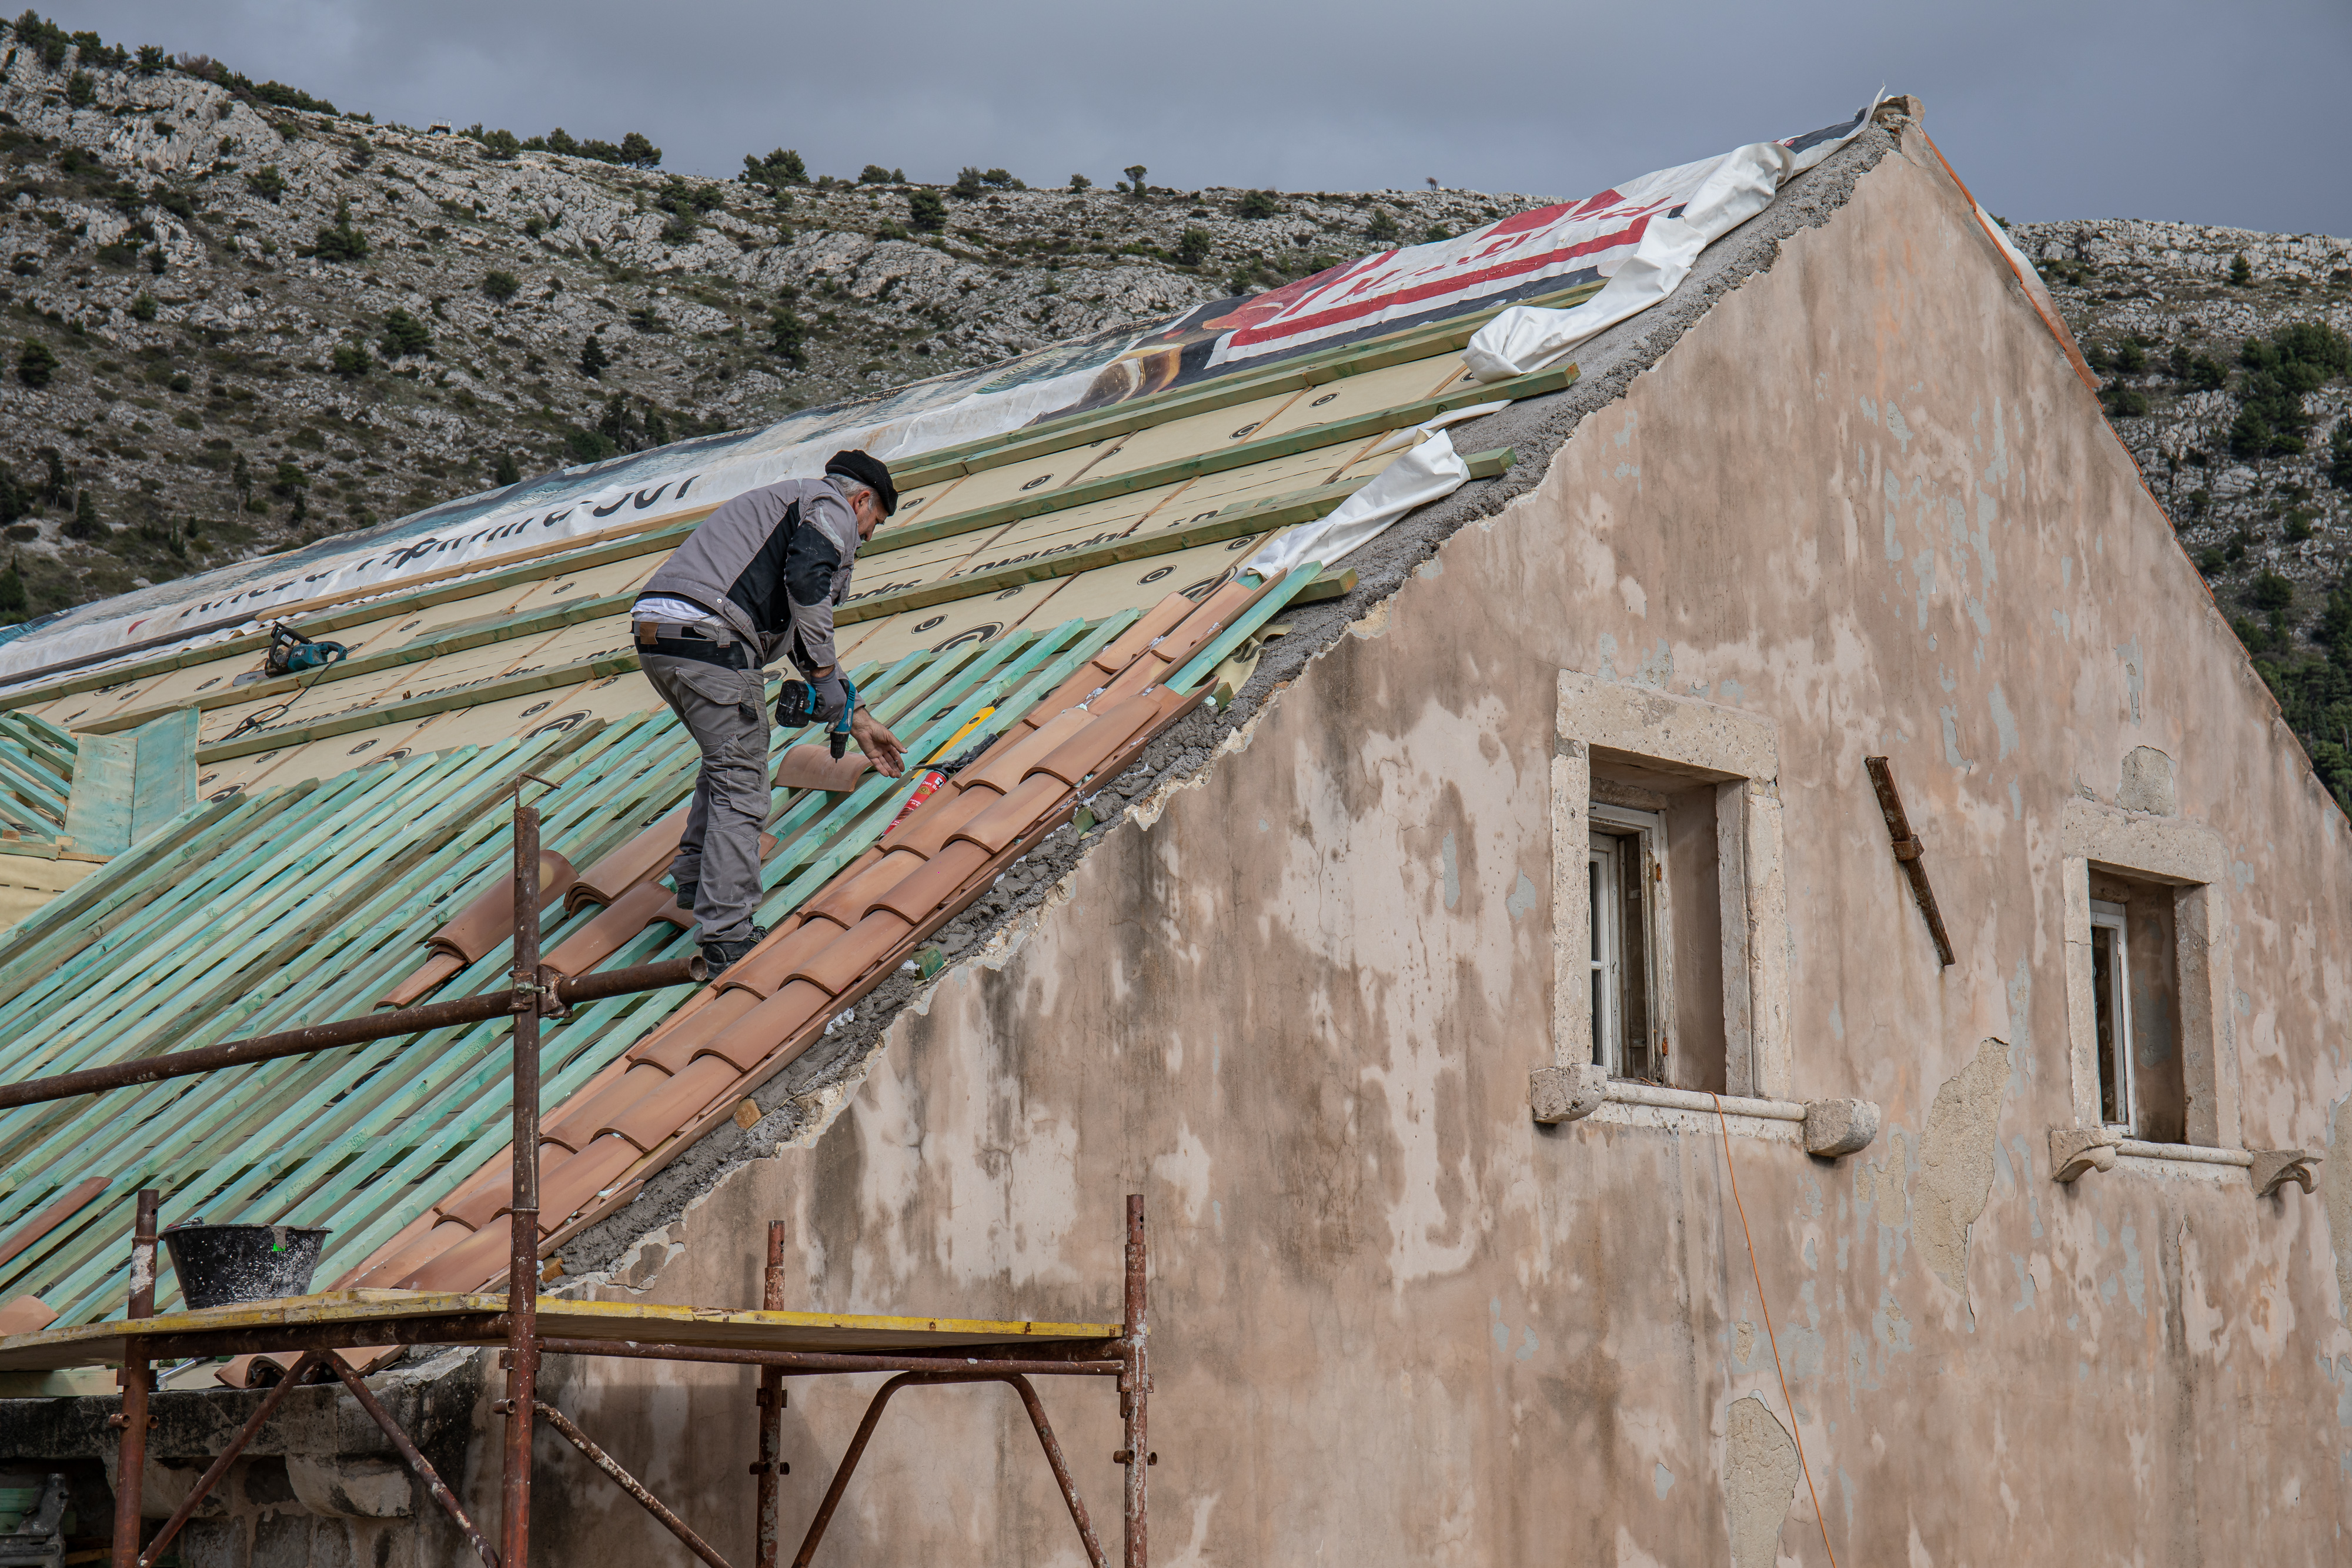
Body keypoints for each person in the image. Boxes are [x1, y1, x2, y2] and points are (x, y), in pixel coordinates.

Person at [631, 450, 908, 974]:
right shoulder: (830, 507)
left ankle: (696, 878)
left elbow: (804, 640)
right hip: (710, 635)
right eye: (874, 524)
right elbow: (809, 585)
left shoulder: (786, 507)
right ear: (863, 500)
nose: (868, 537)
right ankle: (728, 934)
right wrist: (826, 678)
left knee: (726, 758)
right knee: (742, 776)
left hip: (660, 634)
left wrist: (858, 715)